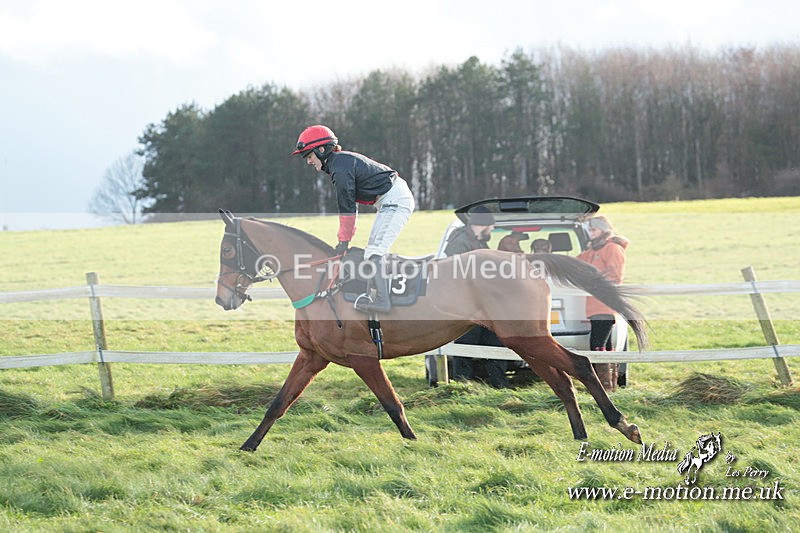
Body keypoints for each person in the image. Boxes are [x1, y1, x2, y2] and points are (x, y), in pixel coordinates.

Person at [292, 125, 415, 314]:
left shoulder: (340, 168)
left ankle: (383, 301)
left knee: (375, 251)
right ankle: (377, 294)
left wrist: (343, 240)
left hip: (395, 199)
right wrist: (345, 239)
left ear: (321, 150)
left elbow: (347, 207)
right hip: (390, 199)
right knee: (372, 252)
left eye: (309, 156)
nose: (308, 161)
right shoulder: (339, 164)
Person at [442, 207, 509, 387]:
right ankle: (463, 385)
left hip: (484, 305)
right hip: (467, 306)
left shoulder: (478, 242)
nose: (493, 230)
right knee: (466, 343)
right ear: (484, 225)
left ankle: (497, 382)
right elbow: (460, 274)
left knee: (494, 341)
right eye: (492, 226)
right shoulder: (460, 242)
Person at [576, 215, 629, 390]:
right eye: (590, 230)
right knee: (604, 346)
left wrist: (591, 280)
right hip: (593, 306)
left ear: (603, 230)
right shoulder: (590, 252)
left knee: (597, 345)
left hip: (605, 305)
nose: (591, 233)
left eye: (594, 230)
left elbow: (615, 276)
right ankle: (608, 386)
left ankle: (602, 387)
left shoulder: (612, 248)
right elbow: (573, 264)